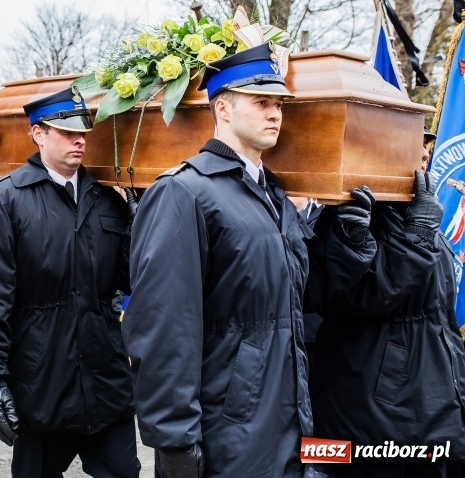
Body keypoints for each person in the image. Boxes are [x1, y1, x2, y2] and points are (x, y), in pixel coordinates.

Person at [122, 42, 376, 478]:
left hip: (287, 413)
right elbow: (164, 327)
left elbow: (298, 297)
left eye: (278, 104)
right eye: (261, 102)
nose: (275, 113)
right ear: (222, 108)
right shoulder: (185, 192)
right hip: (228, 426)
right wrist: (174, 439)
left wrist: (349, 241)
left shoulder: (273, 196)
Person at [0, 87, 141, 478]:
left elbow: (129, 279)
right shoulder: (6, 200)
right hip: (40, 382)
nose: (79, 140)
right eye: (66, 131)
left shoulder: (108, 201)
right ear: (38, 133)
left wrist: (141, 224)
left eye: (83, 132)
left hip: (104, 378)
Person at [309, 128, 465, 478]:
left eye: (424, 145)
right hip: (377, 415)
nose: (425, 155)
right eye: (410, 145)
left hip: (427, 403)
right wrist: (419, 235)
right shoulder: (353, 210)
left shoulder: (411, 206)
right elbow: (366, 296)